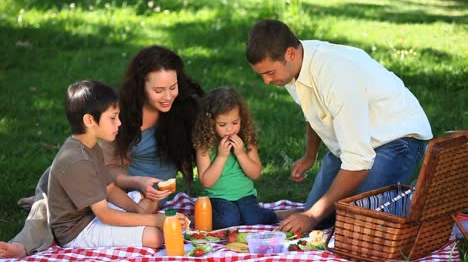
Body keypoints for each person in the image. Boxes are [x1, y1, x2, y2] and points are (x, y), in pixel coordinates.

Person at [246, 19, 433, 233]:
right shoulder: (292, 69)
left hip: (397, 140)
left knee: (355, 226)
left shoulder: (335, 74)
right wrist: (310, 156)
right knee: (319, 218)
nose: (266, 81)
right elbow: (312, 111)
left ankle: (422, 202)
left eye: (269, 73)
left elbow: (359, 161)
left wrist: (312, 215)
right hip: (353, 143)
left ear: (290, 54)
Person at [1, 80, 188, 258]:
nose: (119, 123)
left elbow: (110, 188)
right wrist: (154, 220)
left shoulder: (92, 147)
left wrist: (139, 211)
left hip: (93, 213)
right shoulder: (77, 160)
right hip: (78, 230)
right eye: (113, 118)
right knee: (156, 237)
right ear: (89, 120)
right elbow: (105, 214)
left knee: (147, 201)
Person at [101, 44, 203, 208]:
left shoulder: (186, 108)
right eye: (159, 90)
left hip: (152, 201)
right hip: (122, 191)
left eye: (173, 87)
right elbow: (107, 168)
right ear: (140, 87)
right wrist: (138, 182)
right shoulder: (122, 114)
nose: (168, 96)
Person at [192, 87, 278, 229]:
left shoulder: (246, 138)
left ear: (241, 119)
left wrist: (240, 154)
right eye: (222, 124)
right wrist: (221, 156)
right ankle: (202, 216)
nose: (229, 129)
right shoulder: (205, 144)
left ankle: (276, 214)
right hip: (218, 198)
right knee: (228, 221)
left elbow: (255, 173)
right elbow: (207, 181)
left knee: (253, 219)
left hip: (245, 195)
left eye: (235, 122)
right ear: (210, 122)